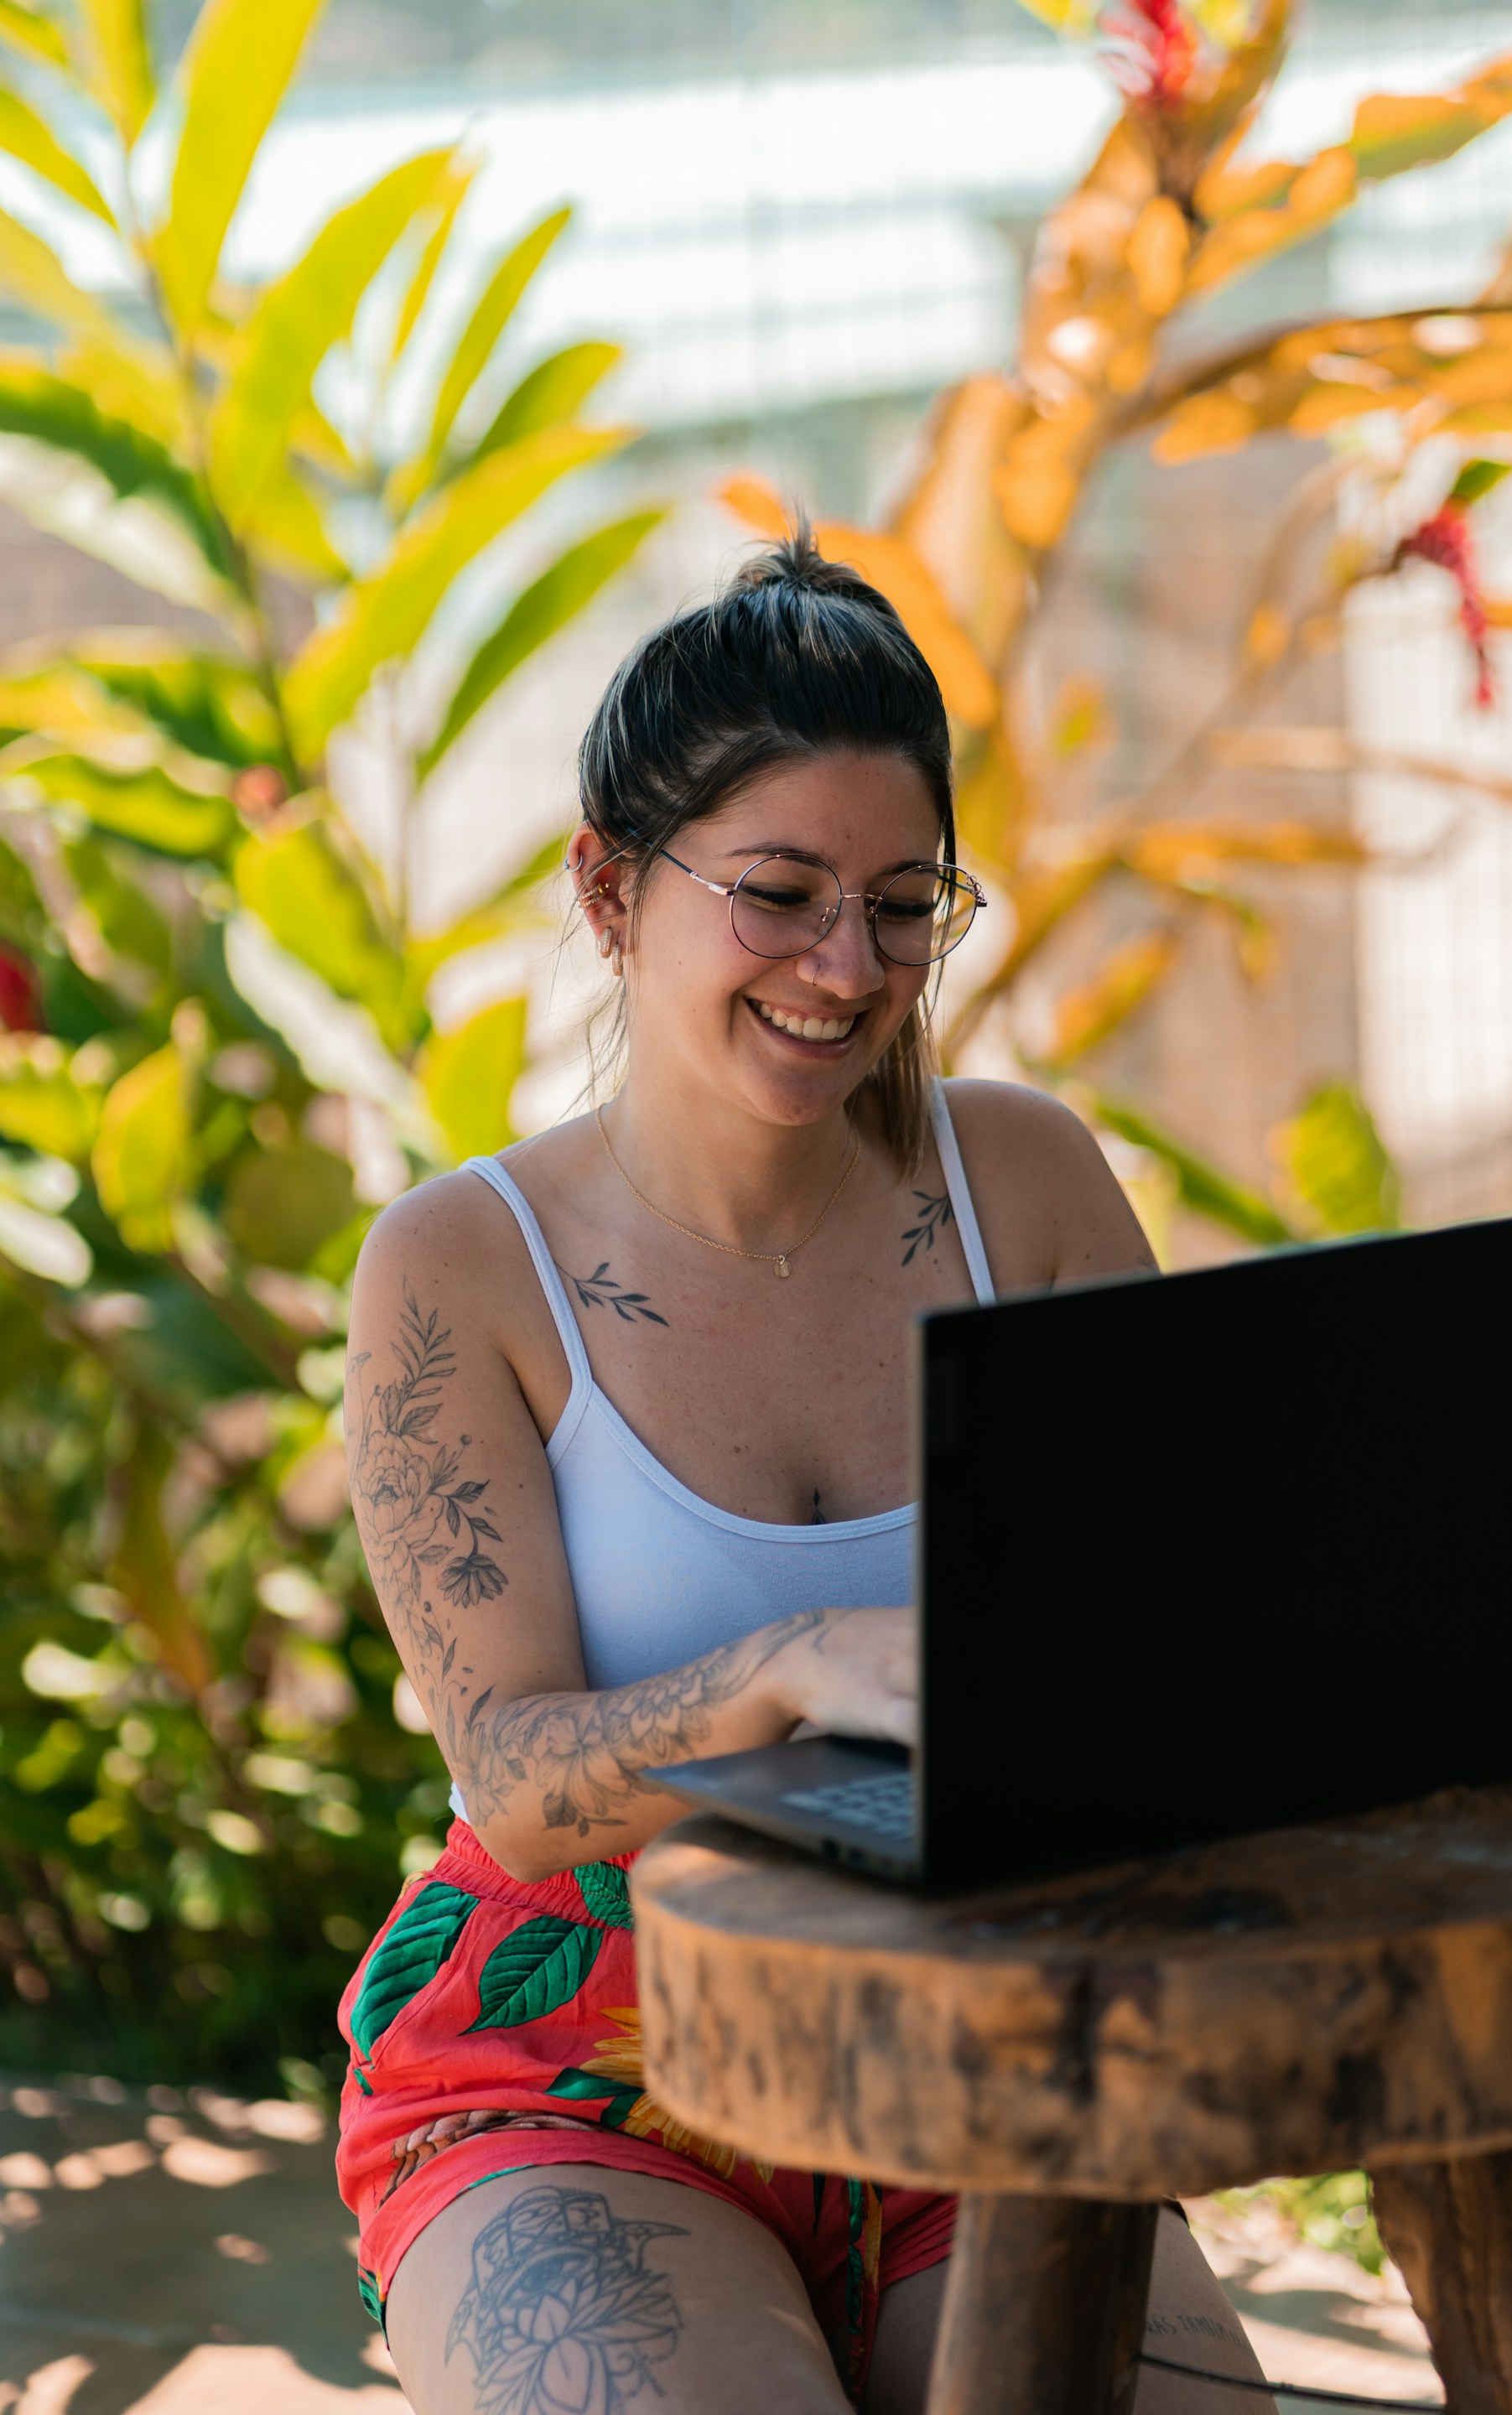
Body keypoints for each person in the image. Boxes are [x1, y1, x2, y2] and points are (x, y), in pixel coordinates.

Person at [337, 530, 1268, 2414]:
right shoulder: (461, 1267)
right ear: (609, 890)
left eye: (906, 904)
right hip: (581, 2071)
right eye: (778, 893)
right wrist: (780, 1669)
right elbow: (513, 1784)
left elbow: (1179, 1630)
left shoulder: (1025, 1187)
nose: (847, 971)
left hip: (975, 2044)